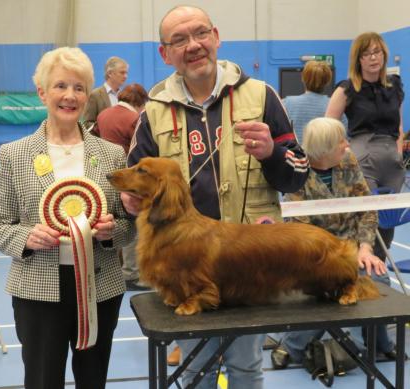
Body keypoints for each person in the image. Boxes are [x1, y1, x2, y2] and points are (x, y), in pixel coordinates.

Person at [122, 5, 309, 388]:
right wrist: (129, 202)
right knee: (194, 369)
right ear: (165, 53)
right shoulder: (153, 112)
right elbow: (132, 188)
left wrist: (271, 154)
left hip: (248, 265)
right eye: (179, 39)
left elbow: (296, 176)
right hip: (187, 272)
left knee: (246, 369)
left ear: (216, 37)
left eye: (200, 33)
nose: (193, 45)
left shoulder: (262, 96)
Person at [0, 47, 135, 389]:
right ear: (42, 92)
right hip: (37, 291)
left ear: (88, 95)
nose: (70, 96)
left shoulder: (112, 154)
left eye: (80, 87)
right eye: (60, 86)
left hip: (101, 289)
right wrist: (26, 238)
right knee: (41, 381)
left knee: (93, 380)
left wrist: (112, 232)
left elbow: (130, 224)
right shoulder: (13, 154)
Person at [271, 117, 396, 369]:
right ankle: (308, 345)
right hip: (317, 259)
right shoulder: (296, 175)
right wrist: (339, 260)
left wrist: (365, 248)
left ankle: (376, 344)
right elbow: (301, 235)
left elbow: (367, 209)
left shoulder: (347, 161)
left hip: (354, 250)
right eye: (341, 141)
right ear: (324, 149)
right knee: (333, 286)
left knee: (378, 276)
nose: (347, 145)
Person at [326, 31, 405, 264]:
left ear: (384, 55)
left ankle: (378, 265)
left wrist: (399, 149)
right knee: (367, 216)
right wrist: (346, 151)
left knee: (387, 220)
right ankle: (361, 263)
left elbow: (398, 123)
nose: (373, 58)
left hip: (392, 160)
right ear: (358, 59)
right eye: (367, 53)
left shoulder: (395, 86)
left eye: (377, 52)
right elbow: (328, 125)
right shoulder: (347, 88)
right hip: (362, 156)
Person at [96, 83, 149, 290]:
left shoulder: (103, 115)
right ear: (138, 102)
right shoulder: (133, 119)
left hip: (103, 175)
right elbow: (140, 151)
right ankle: (130, 273)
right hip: (126, 177)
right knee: (129, 224)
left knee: (109, 222)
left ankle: (121, 268)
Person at [283, 60, 341, 145]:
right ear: (327, 81)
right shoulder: (337, 106)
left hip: (294, 156)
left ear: (303, 78)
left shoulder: (285, 103)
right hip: (324, 157)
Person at [83, 56, 129, 127]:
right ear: (110, 73)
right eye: (122, 73)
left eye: (126, 73)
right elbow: (87, 124)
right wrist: (104, 129)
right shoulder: (95, 95)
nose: (126, 76)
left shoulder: (125, 96)